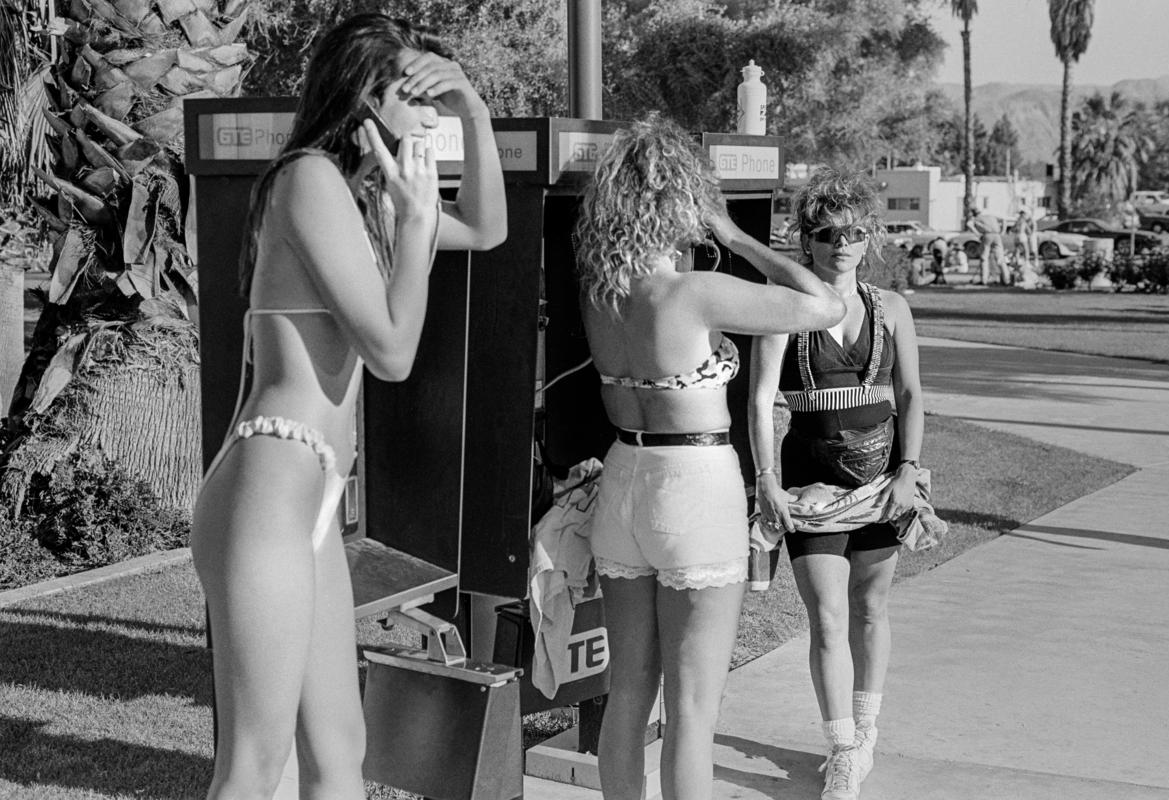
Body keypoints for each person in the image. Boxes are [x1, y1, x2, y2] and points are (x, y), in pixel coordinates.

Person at [189, 14, 505, 799]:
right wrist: (421, 224)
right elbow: (392, 353)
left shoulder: (367, 198)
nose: (432, 114)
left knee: (341, 751)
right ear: (365, 92)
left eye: (441, 98)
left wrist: (476, 111)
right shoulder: (309, 179)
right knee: (255, 764)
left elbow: (492, 231)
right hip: (271, 477)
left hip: (314, 496)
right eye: (419, 93)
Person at [574, 116, 845, 800]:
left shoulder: (600, 291)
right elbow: (824, 303)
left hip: (624, 483)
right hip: (693, 488)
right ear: (683, 201)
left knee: (627, 693)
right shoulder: (692, 292)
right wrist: (732, 233)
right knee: (693, 707)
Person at [748, 167, 924, 800]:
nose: (841, 243)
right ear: (807, 242)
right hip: (806, 485)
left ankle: (867, 730)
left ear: (869, 236)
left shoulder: (891, 308)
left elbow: (909, 395)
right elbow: (762, 398)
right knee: (826, 619)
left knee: (871, 609)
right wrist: (766, 479)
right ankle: (843, 749)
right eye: (826, 233)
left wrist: (909, 471)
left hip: (882, 481)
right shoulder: (784, 309)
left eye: (852, 231)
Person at [966, 206, 1009, 285]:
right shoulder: (990, 216)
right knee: (1000, 258)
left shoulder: (976, 218)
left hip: (987, 235)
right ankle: (1006, 280)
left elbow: (969, 224)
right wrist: (1003, 231)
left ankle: (984, 279)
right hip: (997, 235)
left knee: (984, 258)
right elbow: (1004, 220)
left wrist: (977, 234)